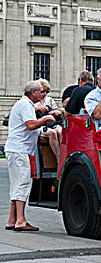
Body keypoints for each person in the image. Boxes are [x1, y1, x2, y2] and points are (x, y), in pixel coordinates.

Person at [5, 81, 55, 232]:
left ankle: (12, 220)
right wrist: (45, 119)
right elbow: (30, 125)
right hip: (20, 150)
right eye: (40, 91)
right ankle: (20, 220)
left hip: (15, 149)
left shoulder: (23, 104)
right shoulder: (26, 105)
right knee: (22, 183)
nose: (43, 94)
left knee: (16, 185)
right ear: (33, 93)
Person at [36, 79, 64, 163]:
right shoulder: (34, 101)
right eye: (42, 92)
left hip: (51, 123)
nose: (44, 94)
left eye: (47, 92)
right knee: (52, 133)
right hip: (39, 125)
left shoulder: (49, 100)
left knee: (61, 131)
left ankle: (65, 155)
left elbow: (58, 111)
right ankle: (59, 159)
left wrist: (58, 112)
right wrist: (38, 108)